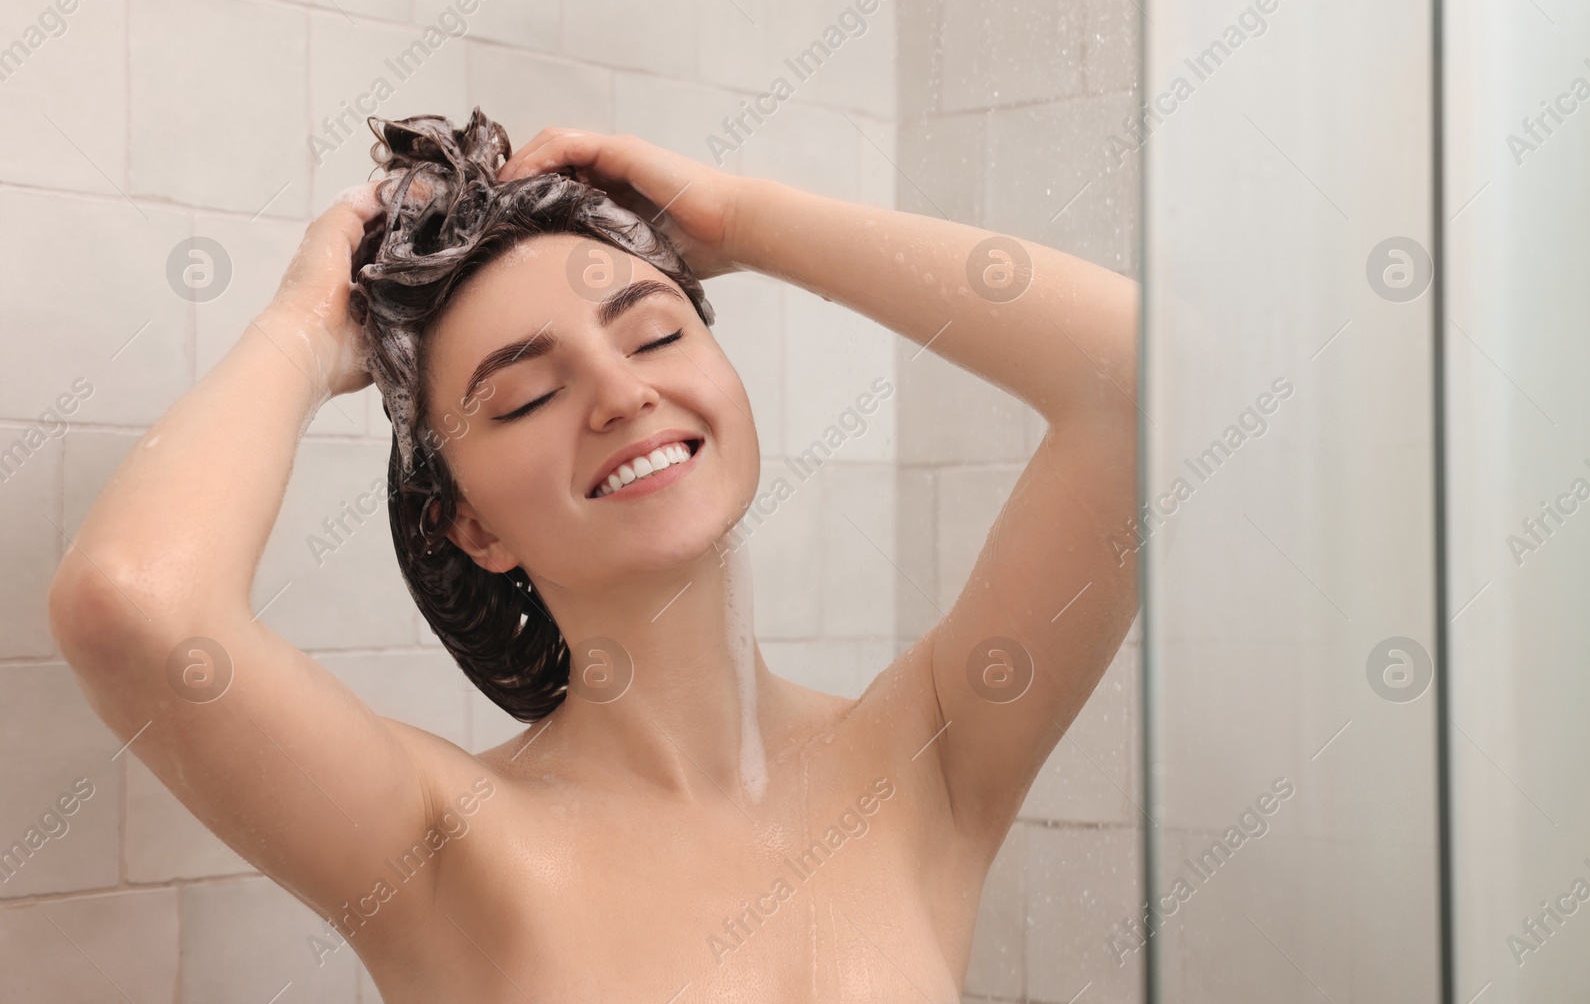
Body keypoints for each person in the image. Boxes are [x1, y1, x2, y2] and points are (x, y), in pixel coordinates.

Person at [47, 109, 1138, 1002]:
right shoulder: (443, 845)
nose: (623, 393)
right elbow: (133, 606)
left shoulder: (926, 762)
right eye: (526, 395)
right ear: (470, 524)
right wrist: (302, 329)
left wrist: (741, 218)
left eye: (657, 331)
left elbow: (1142, 383)